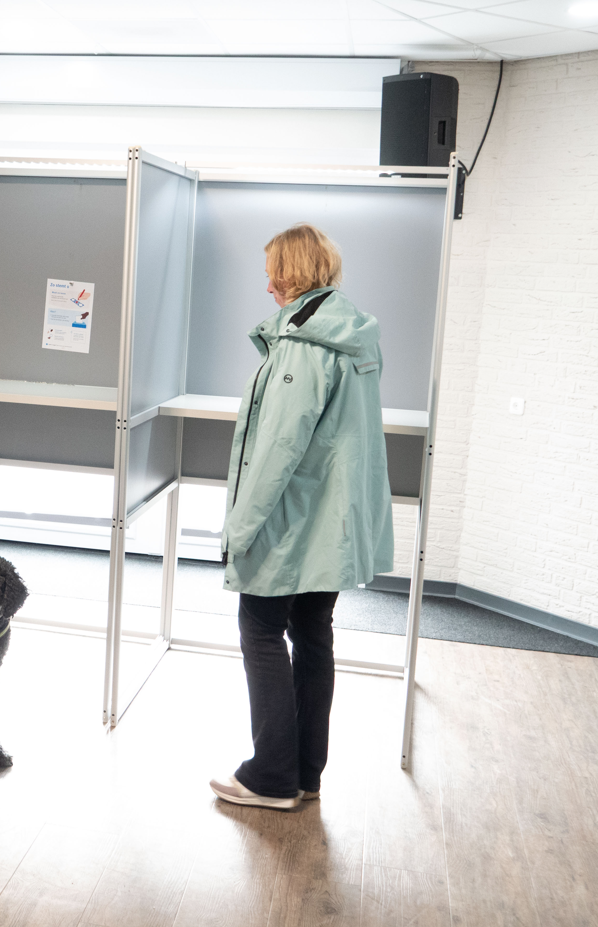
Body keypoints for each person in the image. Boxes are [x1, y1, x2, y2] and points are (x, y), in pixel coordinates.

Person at [209, 223, 393, 811]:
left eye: (273, 272)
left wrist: (240, 529)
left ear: (292, 273)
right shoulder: (352, 336)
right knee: (313, 635)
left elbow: (277, 450)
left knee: (260, 630)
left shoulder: (305, 346)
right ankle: (306, 772)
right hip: (328, 528)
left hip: (292, 526)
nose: (267, 285)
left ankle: (271, 778)